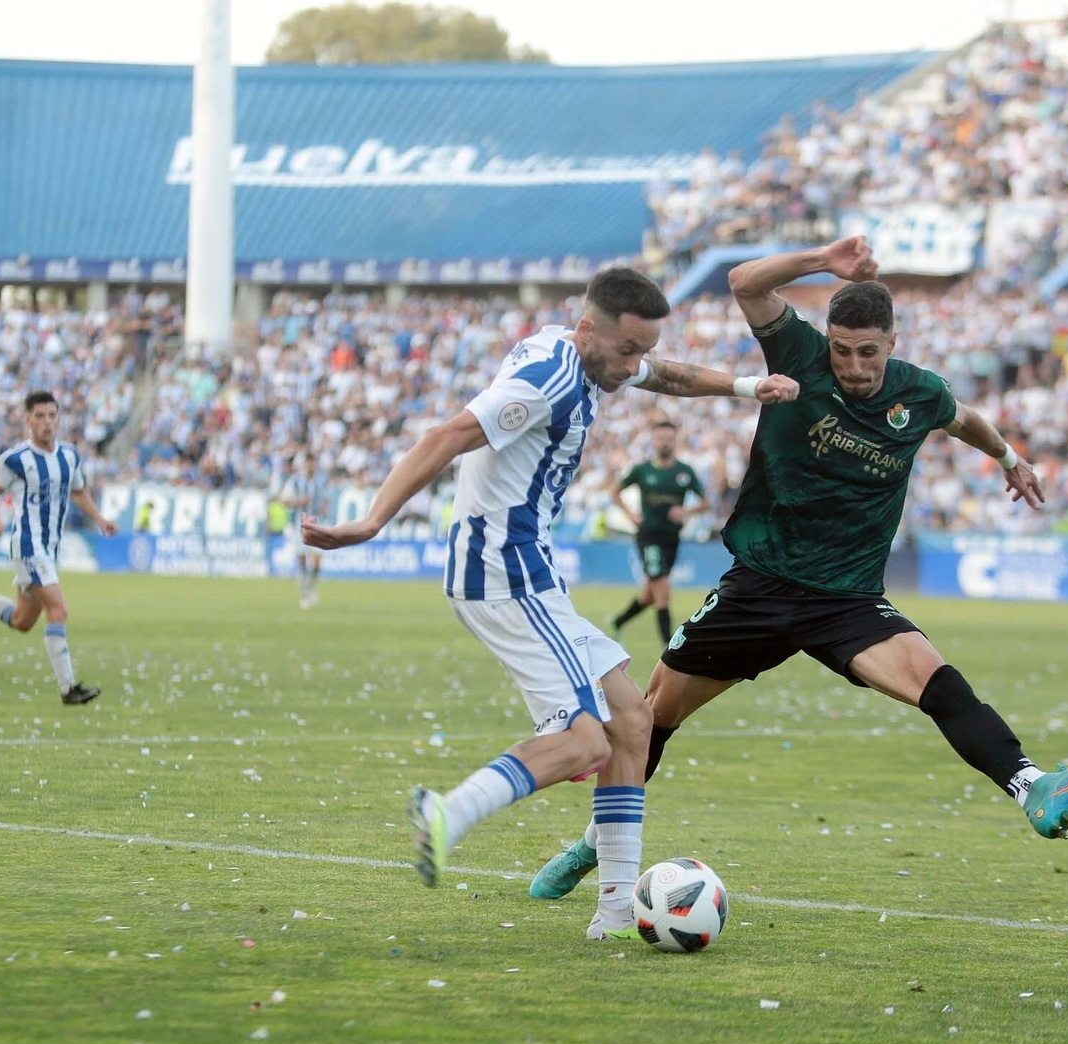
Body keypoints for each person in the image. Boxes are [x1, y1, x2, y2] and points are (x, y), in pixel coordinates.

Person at [530, 238, 1068, 904]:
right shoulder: (798, 355)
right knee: (653, 717)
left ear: (891, 342)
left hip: (845, 599)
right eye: (841, 349)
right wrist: (822, 258)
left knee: (942, 685)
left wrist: (1009, 457)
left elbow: (966, 421)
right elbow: (744, 281)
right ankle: (594, 843)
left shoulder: (919, 393)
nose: (851, 364)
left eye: (867, 351)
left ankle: (1035, 786)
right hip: (756, 589)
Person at [302, 267, 799, 939]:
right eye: (626, 349)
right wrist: (372, 521)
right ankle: (448, 812)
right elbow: (445, 436)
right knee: (585, 739)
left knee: (631, 720)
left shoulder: (584, 356)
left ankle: (618, 912)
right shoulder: (548, 382)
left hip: (526, 570)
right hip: (503, 570)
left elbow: (670, 375)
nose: (633, 364)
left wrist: (746, 387)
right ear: (588, 328)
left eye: (640, 349)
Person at [0, 391, 116, 705]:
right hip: (28, 546)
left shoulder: (70, 456)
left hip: (50, 547)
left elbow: (79, 492)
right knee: (58, 610)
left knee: (22, 621)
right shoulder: (15, 459)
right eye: (40, 416)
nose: (47, 422)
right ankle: (68, 688)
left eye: (52, 416)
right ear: (28, 420)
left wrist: (100, 518)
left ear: (58, 418)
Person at [610, 420, 704, 645]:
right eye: (660, 439)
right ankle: (669, 645)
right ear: (654, 441)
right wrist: (630, 514)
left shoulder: (684, 472)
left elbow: (706, 502)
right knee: (662, 590)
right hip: (648, 537)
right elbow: (615, 491)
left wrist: (686, 511)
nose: (665, 443)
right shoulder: (642, 470)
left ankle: (619, 621)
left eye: (669, 439)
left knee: (649, 596)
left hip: (672, 539)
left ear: (675, 441)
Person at [279, 451, 329, 609]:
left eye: (312, 462)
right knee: (301, 561)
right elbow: (283, 500)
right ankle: (305, 592)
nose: (310, 465)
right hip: (299, 525)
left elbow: (327, 498)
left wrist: (324, 507)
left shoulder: (321, 481)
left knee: (316, 561)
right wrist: (298, 501)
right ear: (303, 465)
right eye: (307, 462)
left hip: (317, 525)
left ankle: (310, 589)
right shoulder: (295, 481)